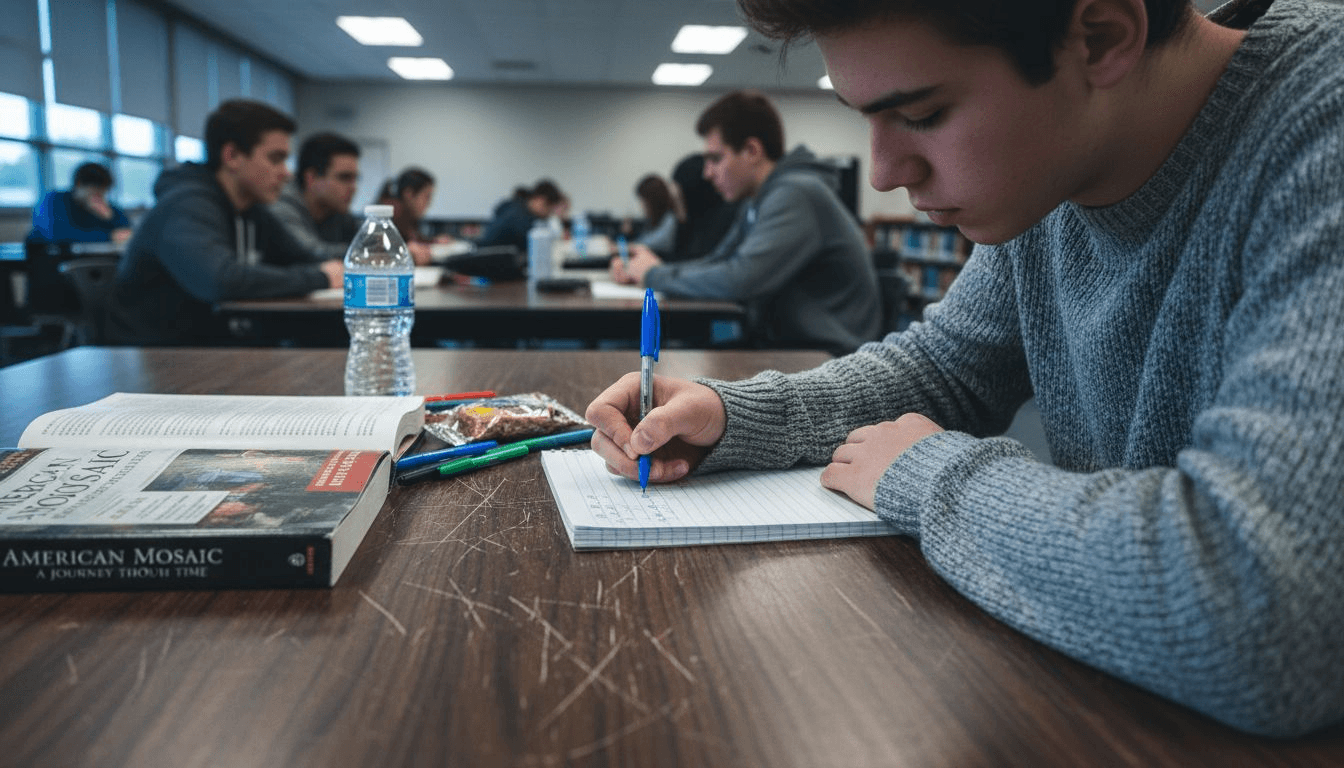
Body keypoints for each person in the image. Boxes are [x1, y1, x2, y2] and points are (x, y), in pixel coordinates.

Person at [588, 0, 1344, 738]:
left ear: (1101, 37)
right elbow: (944, 369)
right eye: (866, 119)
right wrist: (735, 416)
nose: (883, 173)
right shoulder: (1055, 170)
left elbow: (1266, 612)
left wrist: (928, 476)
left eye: (920, 115)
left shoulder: (1320, 124)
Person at [611, 90, 881, 354]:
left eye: (715, 159)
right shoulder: (760, 198)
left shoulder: (795, 193)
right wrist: (656, 269)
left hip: (823, 355)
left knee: (678, 375)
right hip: (786, 345)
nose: (707, 173)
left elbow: (740, 279)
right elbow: (720, 260)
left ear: (752, 150)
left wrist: (653, 275)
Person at [105, 99, 342, 345]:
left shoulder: (251, 209)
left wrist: (333, 269)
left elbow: (304, 258)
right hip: (156, 359)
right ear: (232, 156)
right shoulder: (186, 205)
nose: (286, 173)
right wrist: (320, 278)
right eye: (275, 159)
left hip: (211, 350)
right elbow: (219, 281)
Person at [269, 132, 362, 261]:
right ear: (311, 178)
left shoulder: (337, 212)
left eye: (355, 179)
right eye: (344, 178)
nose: (353, 188)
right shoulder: (280, 206)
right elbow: (310, 253)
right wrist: (368, 253)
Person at [27, 162, 132, 244]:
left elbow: (128, 233)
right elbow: (59, 235)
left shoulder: (104, 206)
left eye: (102, 194)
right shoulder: (53, 202)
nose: (99, 198)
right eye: (95, 192)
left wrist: (111, 217)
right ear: (79, 185)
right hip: (50, 262)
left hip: (90, 262)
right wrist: (109, 236)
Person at [666, 152, 739, 262]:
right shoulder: (690, 225)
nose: (673, 207)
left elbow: (694, 265)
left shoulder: (722, 223)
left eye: (678, 199)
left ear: (692, 195)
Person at [475, 179, 568, 253]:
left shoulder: (515, 206)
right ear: (541, 200)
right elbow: (533, 250)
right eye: (549, 209)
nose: (548, 214)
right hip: (493, 264)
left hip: (488, 258)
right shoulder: (520, 218)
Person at [376, 167, 436, 265]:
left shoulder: (408, 216)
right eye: (427, 197)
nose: (429, 203)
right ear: (409, 194)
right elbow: (375, 253)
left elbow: (413, 240)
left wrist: (434, 241)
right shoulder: (390, 216)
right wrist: (406, 254)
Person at [631, 173, 682, 256]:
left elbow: (655, 243)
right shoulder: (654, 220)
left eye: (643, 201)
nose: (641, 205)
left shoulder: (670, 219)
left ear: (652, 201)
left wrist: (625, 247)